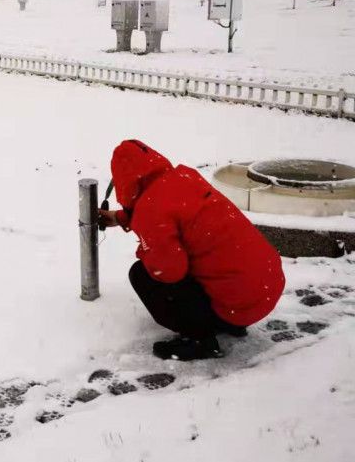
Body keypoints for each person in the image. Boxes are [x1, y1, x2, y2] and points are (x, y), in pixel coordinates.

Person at [98, 139, 285, 361]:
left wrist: (146, 249)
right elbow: (173, 211)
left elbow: (168, 271)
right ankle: (231, 323)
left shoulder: (152, 209)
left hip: (239, 303)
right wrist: (123, 218)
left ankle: (200, 339)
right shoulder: (184, 179)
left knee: (142, 274)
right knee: (201, 256)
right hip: (264, 290)